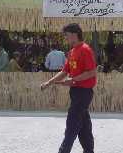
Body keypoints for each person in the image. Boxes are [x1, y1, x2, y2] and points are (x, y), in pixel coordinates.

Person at [41, 23, 96, 153]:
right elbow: (65, 71)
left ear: (73, 34)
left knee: (72, 123)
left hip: (84, 92)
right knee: (84, 126)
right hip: (75, 92)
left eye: (66, 35)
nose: (66, 38)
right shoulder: (72, 52)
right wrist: (49, 82)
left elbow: (91, 72)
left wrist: (73, 80)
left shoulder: (85, 49)